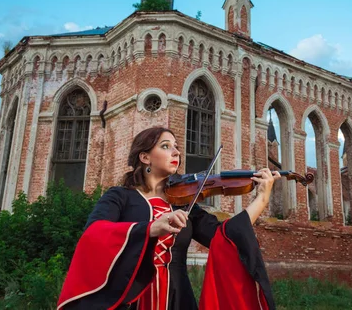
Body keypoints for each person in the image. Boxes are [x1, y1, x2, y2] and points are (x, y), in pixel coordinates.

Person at [57, 126, 280, 310]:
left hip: (178, 298)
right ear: (145, 157)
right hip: (131, 297)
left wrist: (261, 199)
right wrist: (151, 229)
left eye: (176, 147)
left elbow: (226, 236)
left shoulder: (184, 202)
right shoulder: (120, 197)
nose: (176, 152)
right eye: (166, 146)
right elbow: (94, 234)